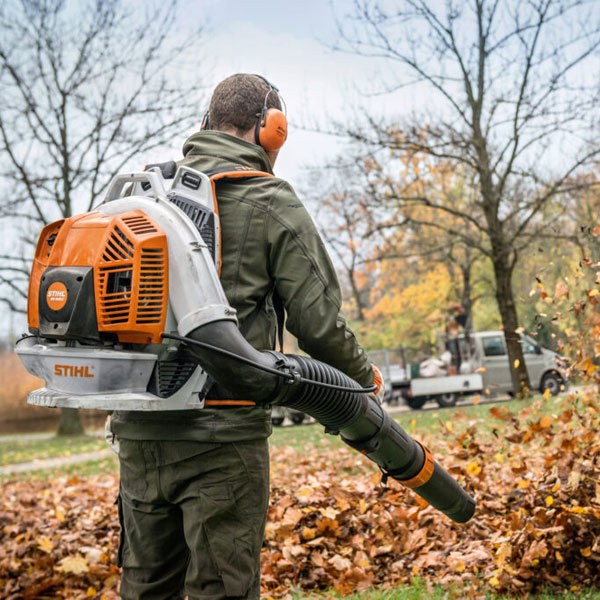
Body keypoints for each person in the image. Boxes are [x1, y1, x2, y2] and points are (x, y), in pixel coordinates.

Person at [110, 73, 382, 600]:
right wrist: (362, 378)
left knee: (144, 588)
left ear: (206, 123)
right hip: (224, 436)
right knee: (221, 589)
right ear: (272, 129)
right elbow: (318, 325)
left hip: (140, 433)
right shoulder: (269, 198)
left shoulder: (148, 196)